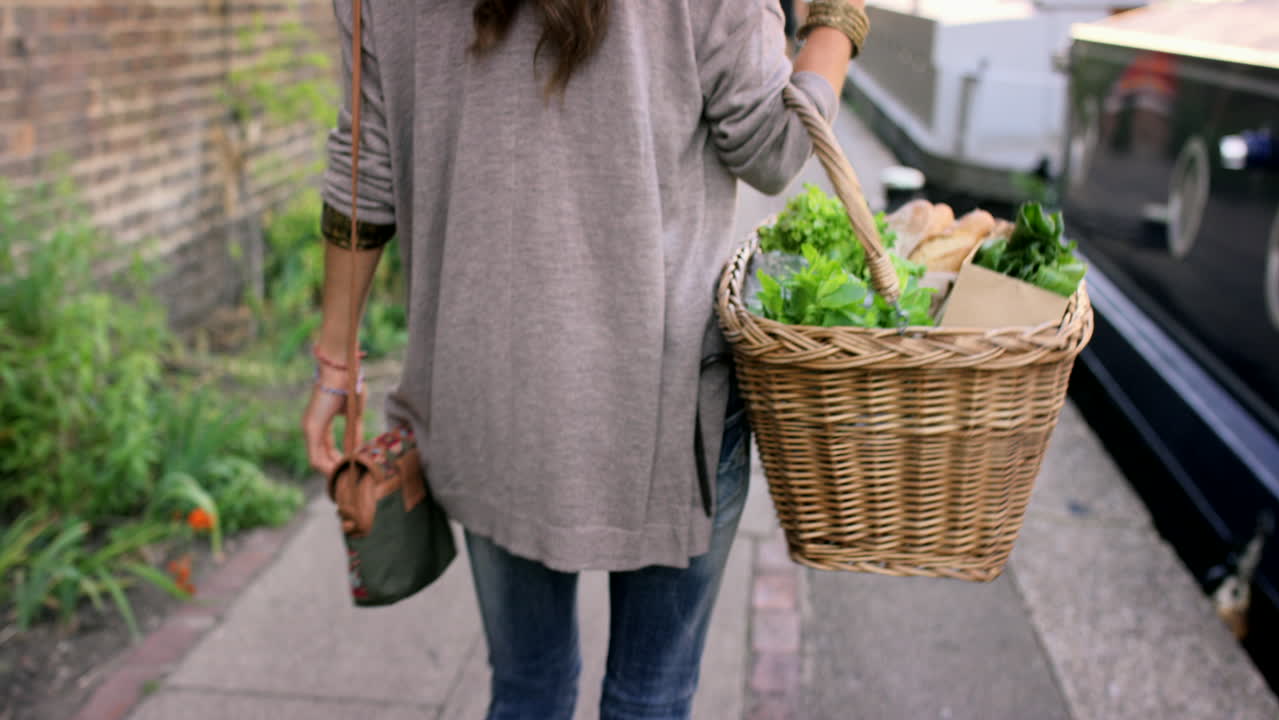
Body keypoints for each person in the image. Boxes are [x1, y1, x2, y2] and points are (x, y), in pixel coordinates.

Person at [302, 1, 868, 718]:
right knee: (650, 695)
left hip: (483, 394)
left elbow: (365, 169)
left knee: (527, 689)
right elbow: (775, 145)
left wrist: (335, 366)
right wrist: (837, 22)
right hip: (665, 404)